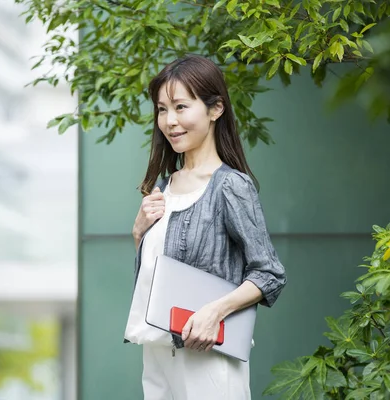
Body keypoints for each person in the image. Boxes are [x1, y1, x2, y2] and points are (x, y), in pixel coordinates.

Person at [123, 54, 287, 400]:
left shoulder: (229, 186)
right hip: (157, 349)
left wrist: (214, 311)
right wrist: (139, 234)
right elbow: (158, 275)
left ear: (215, 109)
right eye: (162, 109)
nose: (169, 121)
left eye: (181, 107)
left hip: (207, 354)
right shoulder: (163, 188)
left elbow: (269, 273)